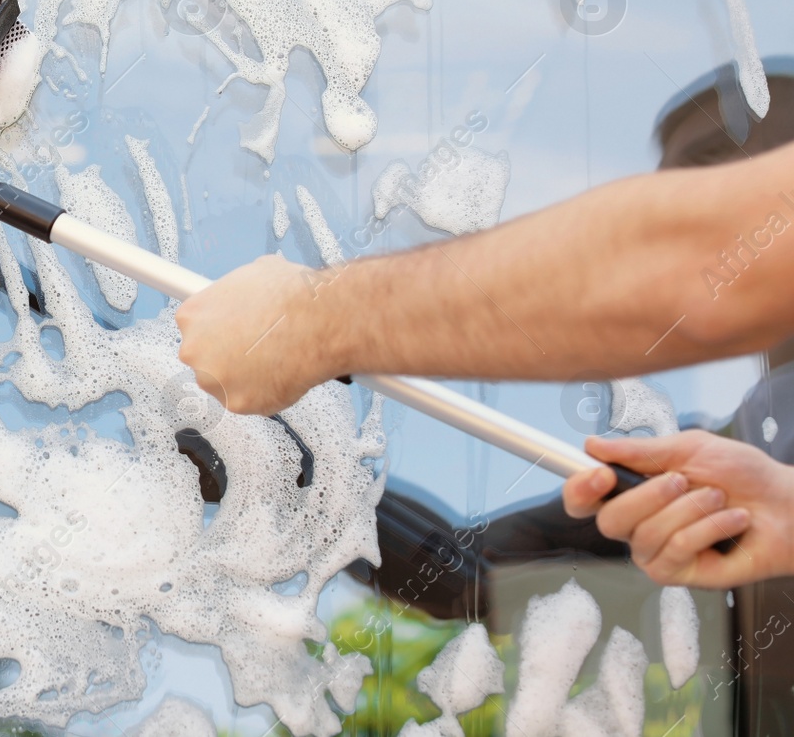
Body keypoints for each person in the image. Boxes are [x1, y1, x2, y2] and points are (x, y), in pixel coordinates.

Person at [176, 63, 794, 593]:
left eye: (714, 187)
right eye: (671, 192)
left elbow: (701, 257)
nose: (673, 209)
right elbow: (466, 581)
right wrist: (293, 474)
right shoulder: (743, 460)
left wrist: (311, 322)